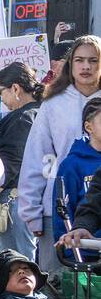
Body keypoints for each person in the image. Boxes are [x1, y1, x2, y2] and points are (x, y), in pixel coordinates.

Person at [19, 35, 101, 279]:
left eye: (93, 60)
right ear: (70, 65)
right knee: (57, 281)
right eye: (79, 60)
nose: (86, 67)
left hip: (99, 201)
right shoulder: (53, 103)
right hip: (58, 205)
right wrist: (31, 210)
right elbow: (37, 155)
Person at [0, 63, 42, 259]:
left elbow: (10, 164)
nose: (1, 99)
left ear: (15, 88)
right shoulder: (42, 111)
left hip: (16, 201)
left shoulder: (22, 118)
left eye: (1, 92)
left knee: (17, 262)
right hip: (34, 199)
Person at [50, 97, 101, 249]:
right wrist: (80, 228)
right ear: (88, 127)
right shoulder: (72, 164)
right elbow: (92, 205)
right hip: (89, 251)